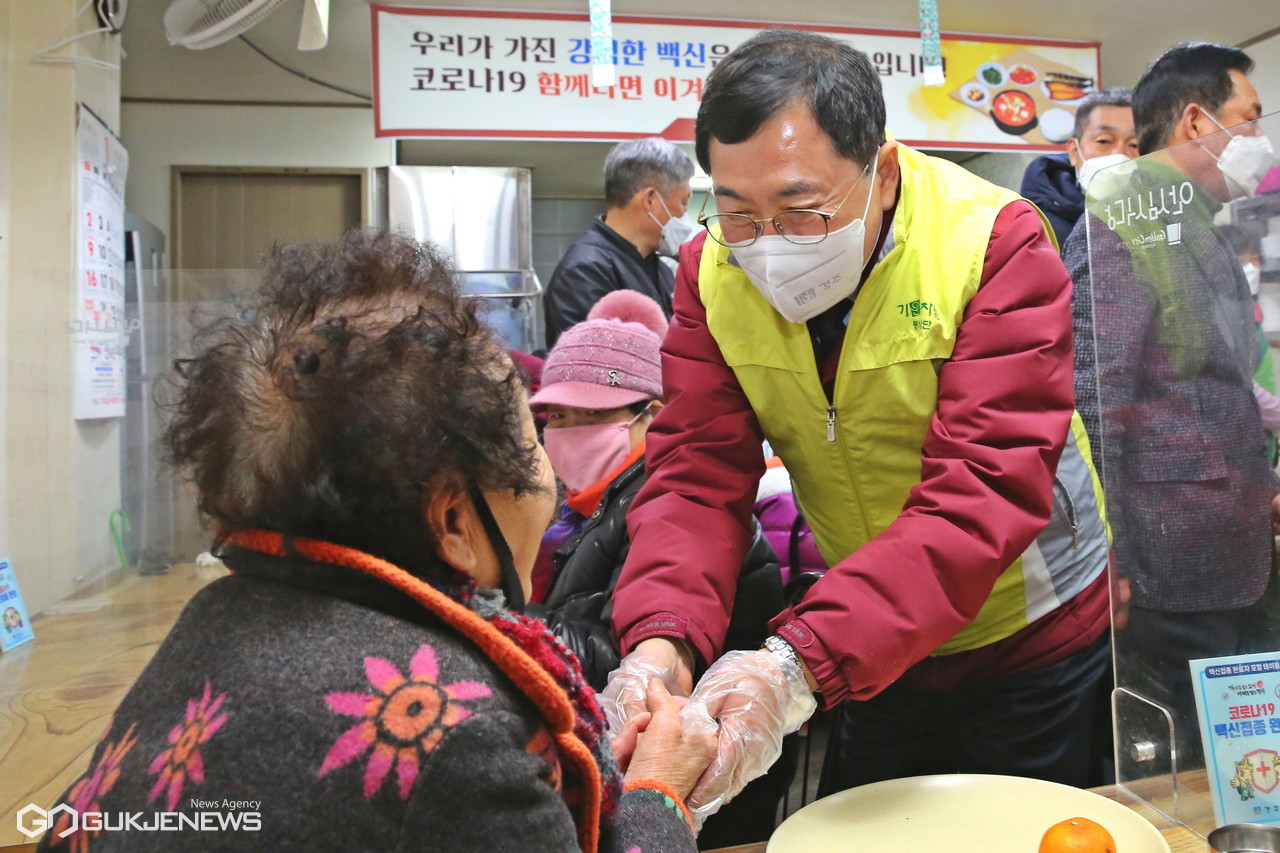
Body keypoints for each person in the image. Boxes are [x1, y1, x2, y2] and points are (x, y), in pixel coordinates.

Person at [37, 230, 715, 852]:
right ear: (454, 521)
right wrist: (659, 793)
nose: (549, 457)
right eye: (531, 434)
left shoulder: (210, 618)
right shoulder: (455, 729)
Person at [602, 29, 1111, 821]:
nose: (766, 245)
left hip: (1025, 631)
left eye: (801, 209)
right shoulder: (711, 273)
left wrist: (797, 664)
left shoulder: (991, 241)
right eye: (736, 212)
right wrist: (659, 642)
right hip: (866, 634)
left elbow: (983, 489)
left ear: (880, 172)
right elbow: (695, 474)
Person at [1065, 41, 1280, 766]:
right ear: (1196, 121)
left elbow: (1207, 380)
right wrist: (1108, 557)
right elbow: (1094, 400)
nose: (1259, 139)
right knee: (1174, 766)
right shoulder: (1123, 221)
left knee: (1232, 760)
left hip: (1222, 546)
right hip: (1166, 563)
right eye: (1249, 120)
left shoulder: (1194, 221)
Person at [525, 289, 790, 848]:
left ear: (654, 414)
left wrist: (509, 626)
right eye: (557, 416)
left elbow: (616, 648)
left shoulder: (672, 507)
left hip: (702, 784)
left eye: (591, 415)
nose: (568, 431)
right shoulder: (579, 507)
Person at [543, 138, 695, 346]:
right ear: (650, 200)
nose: (684, 215)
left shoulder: (661, 270)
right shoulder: (586, 271)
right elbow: (600, 368)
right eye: (683, 203)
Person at [1020, 87, 1139, 247]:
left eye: (1134, 144)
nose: (1118, 154)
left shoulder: (1159, 216)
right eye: (1104, 141)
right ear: (1074, 151)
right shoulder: (1037, 227)